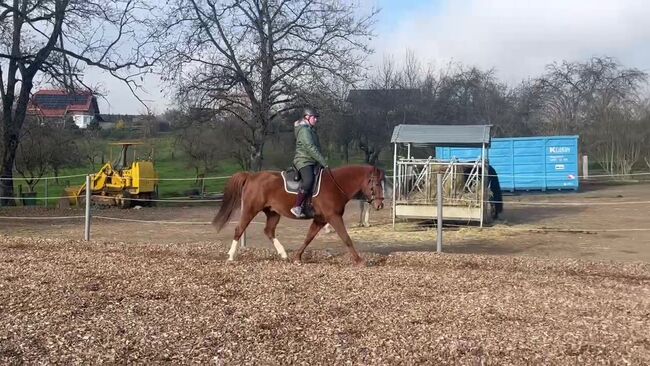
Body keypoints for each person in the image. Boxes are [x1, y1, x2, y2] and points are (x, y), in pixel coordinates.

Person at [291, 107, 328, 218]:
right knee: (309, 180)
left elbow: (317, 148)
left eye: (316, 117)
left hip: (312, 160)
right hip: (303, 160)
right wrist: (323, 162)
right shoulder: (304, 131)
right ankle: (297, 206)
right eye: (314, 117)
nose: (316, 119)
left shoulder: (311, 130)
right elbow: (310, 147)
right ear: (307, 117)